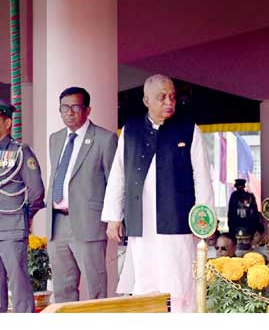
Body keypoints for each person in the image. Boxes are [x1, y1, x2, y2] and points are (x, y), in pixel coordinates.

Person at [101, 74, 213, 313]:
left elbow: (202, 177)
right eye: (162, 97)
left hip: (177, 220)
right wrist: (114, 216)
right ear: (146, 100)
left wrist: (205, 219)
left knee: (178, 280)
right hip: (141, 221)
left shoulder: (189, 129)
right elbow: (118, 174)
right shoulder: (130, 130)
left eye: (172, 96)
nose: (169, 102)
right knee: (146, 279)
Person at [0, 96, 45, 312]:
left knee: (19, 286)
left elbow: (37, 193)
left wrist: (22, 218)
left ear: (8, 123)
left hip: (11, 230)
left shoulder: (20, 151)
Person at [46, 87, 118, 303]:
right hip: (57, 222)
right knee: (62, 288)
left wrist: (114, 219)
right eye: (64, 108)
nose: (69, 112)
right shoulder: (55, 138)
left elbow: (114, 183)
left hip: (89, 222)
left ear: (87, 110)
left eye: (75, 107)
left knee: (95, 286)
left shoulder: (105, 139)